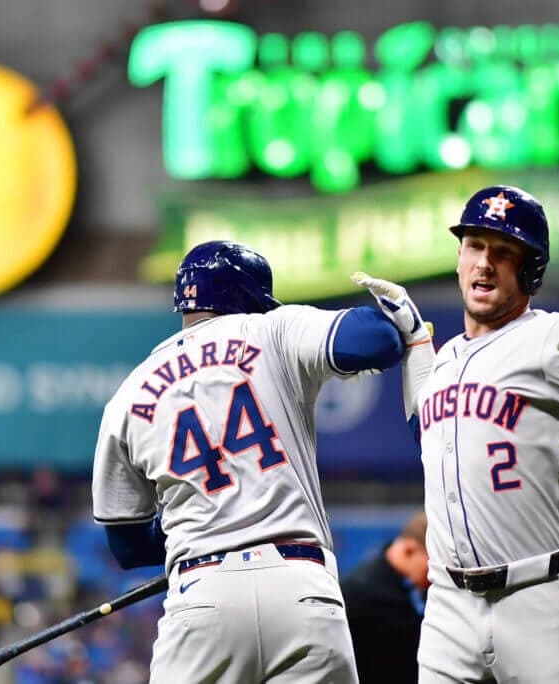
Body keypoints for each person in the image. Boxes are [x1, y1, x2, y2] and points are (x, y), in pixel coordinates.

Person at [352, 185, 559, 683]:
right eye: (475, 246)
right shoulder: (446, 361)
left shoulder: (554, 337)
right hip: (449, 606)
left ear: (531, 270)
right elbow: (429, 433)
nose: (484, 264)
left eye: (504, 252)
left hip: (539, 599)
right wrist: (417, 338)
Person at [92, 240, 411, 684]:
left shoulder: (127, 395)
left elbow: (126, 546)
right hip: (301, 589)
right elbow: (376, 340)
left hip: (202, 594)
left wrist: (205, 518)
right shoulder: (271, 330)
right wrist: (399, 314)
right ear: (250, 298)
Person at [341, 510, 429, 684]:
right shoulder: (357, 594)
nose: (435, 574)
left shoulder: (423, 589)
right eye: (431, 564)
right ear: (409, 550)